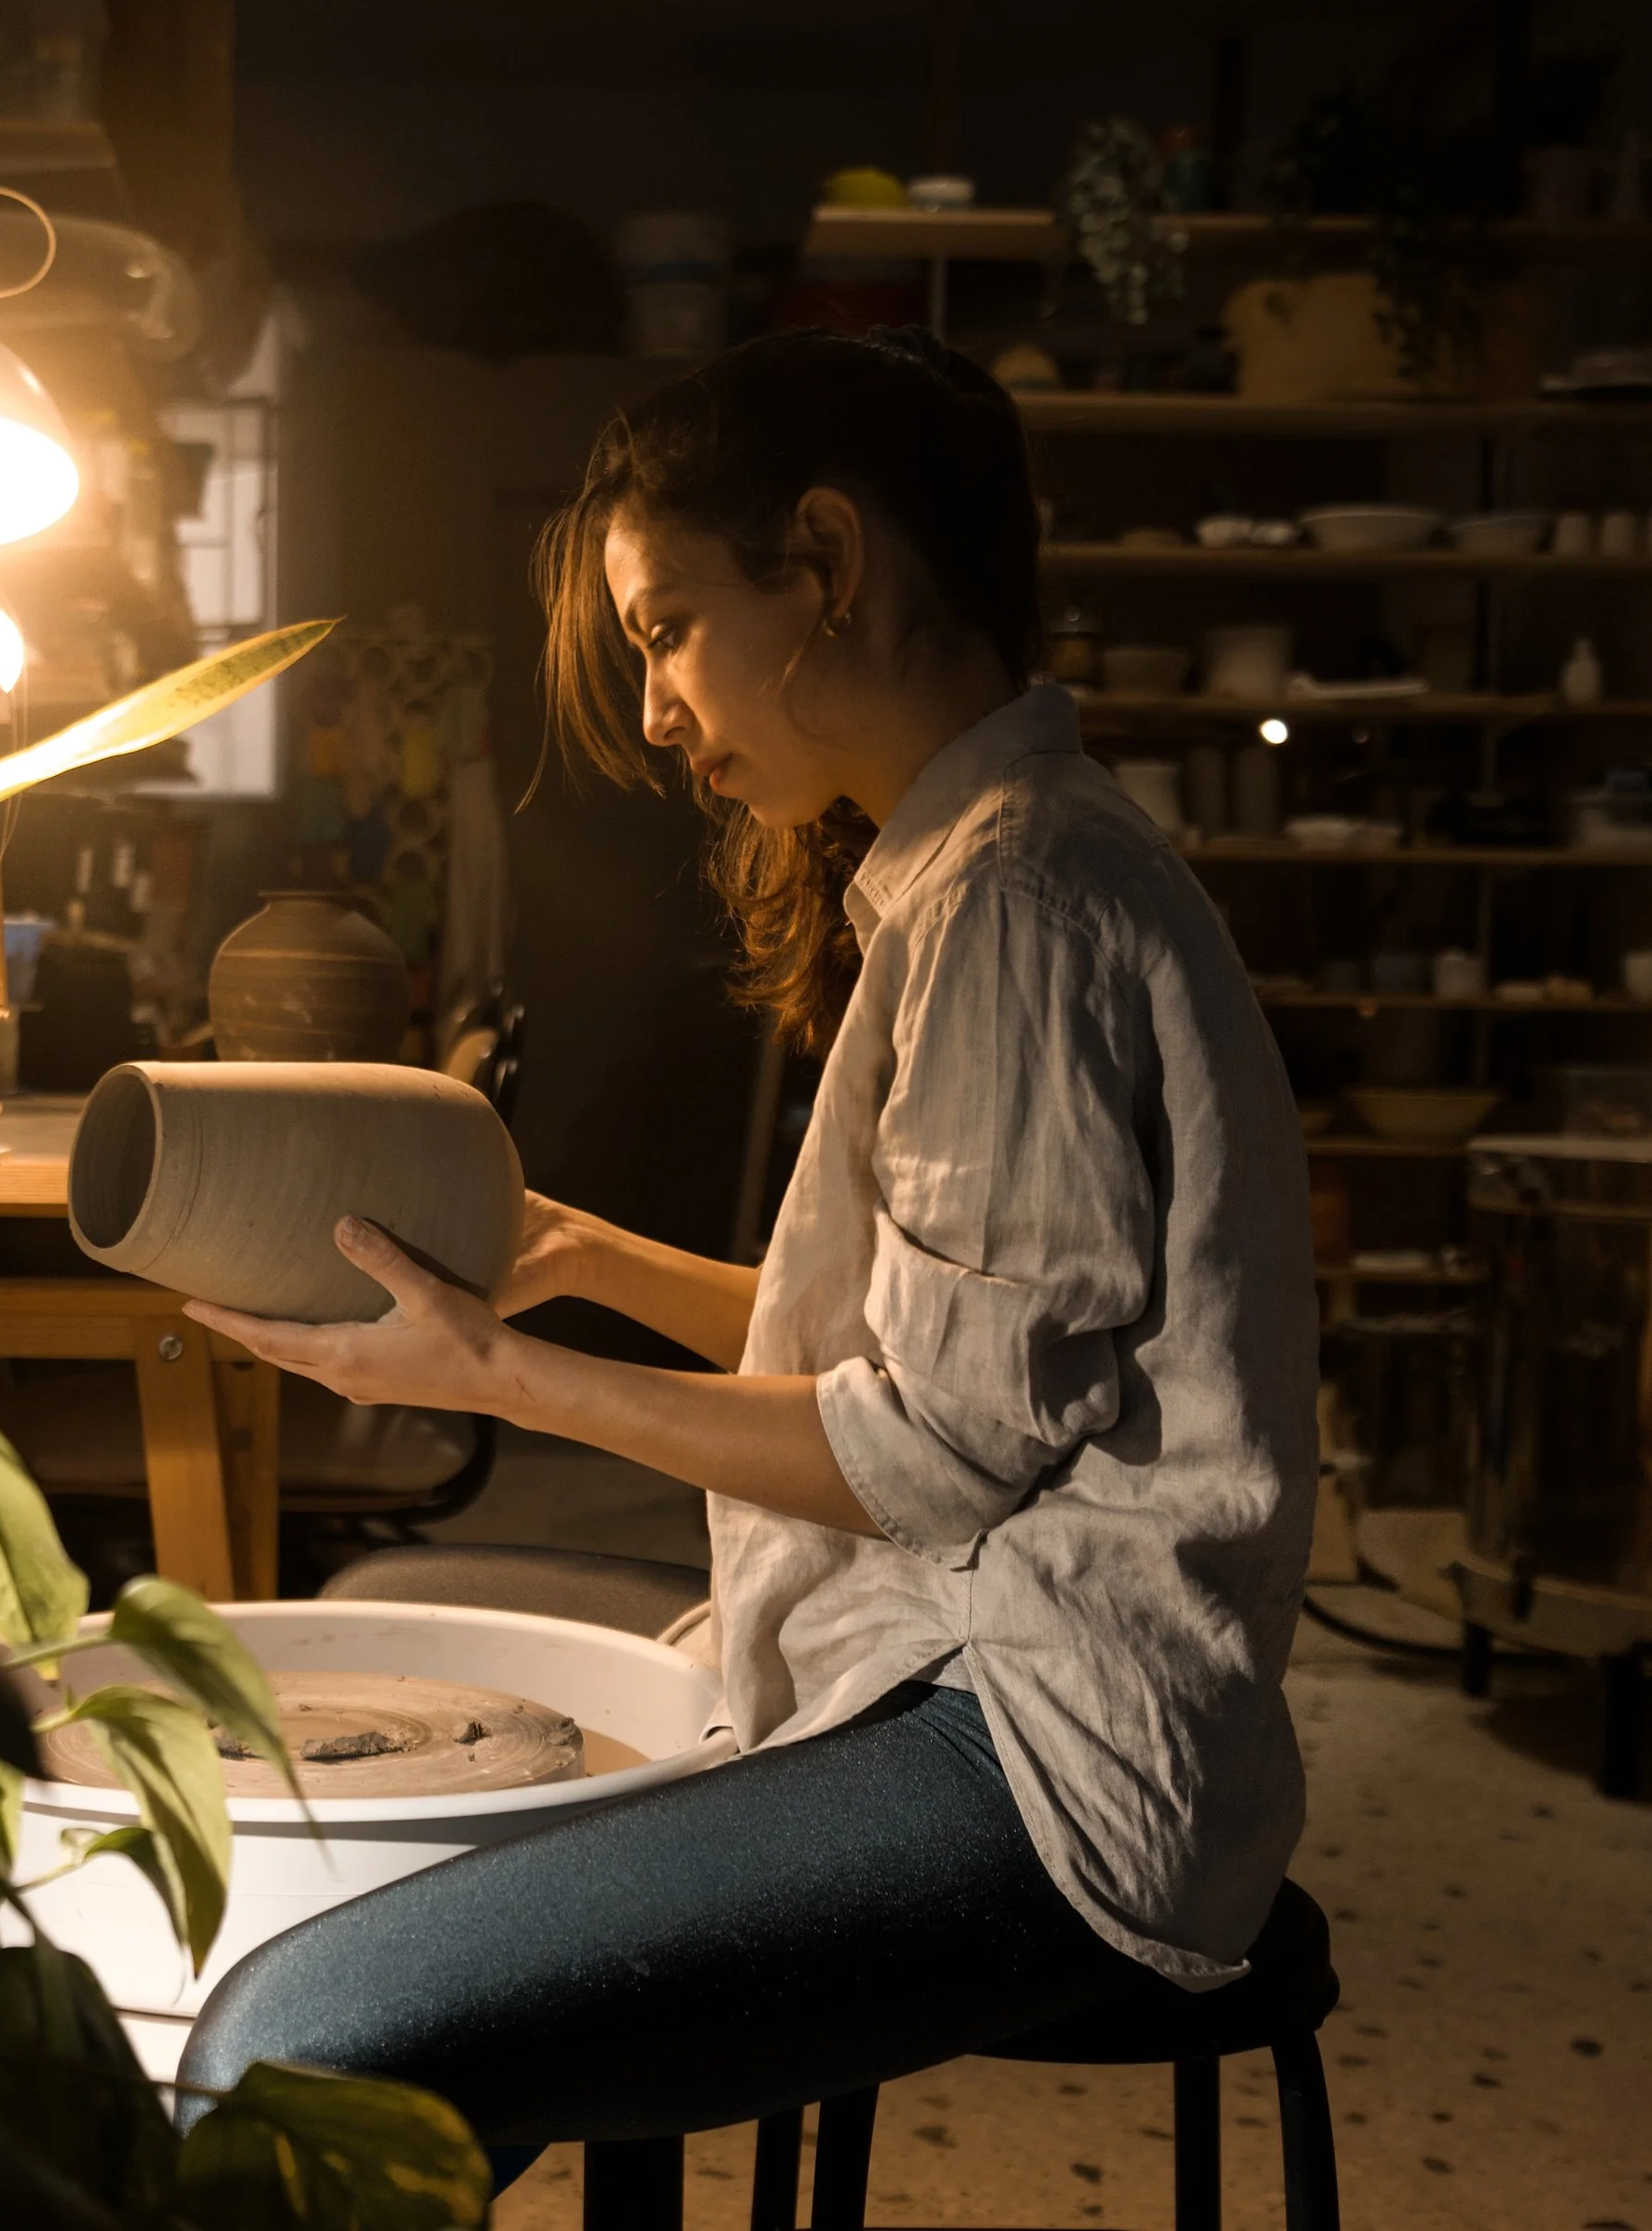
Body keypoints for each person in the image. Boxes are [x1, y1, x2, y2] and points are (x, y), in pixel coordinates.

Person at [177, 328, 1318, 2155]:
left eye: (662, 628)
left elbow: (925, 1457)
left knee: (292, 2036)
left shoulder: (1010, 900)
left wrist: (487, 1371)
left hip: (1038, 1752)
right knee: (332, 1921)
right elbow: (925, 1364)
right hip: (979, 1688)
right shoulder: (999, 862)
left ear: (826, 560)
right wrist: (579, 1254)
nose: (651, 709)